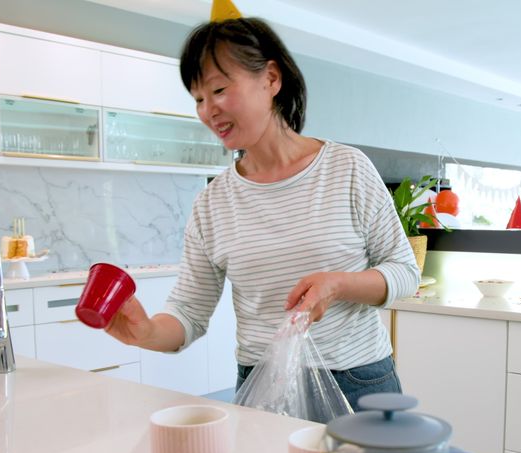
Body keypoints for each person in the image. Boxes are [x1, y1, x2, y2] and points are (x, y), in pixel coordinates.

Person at [103, 16, 420, 410]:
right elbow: (188, 312)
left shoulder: (347, 168)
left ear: (271, 78)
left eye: (219, 90)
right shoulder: (213, 202)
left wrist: (337, 284)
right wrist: (147, 332)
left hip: (357, 381)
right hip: (263, 386)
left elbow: (405, 273)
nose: (208, 110)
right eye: (198, 99)